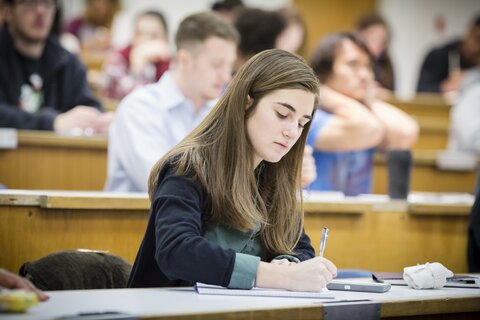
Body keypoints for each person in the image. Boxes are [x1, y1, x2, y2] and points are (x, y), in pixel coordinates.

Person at [128, 49, 337, 291]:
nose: (292, 131)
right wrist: (276, 276)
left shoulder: (274, 176)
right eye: (282, 114)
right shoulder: (187, 167)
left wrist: (287, 264)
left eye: (301, 123)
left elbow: (300, 248)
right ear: (246, 103)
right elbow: (177, 250)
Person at [105, 12, 239, 192]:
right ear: (185, 60)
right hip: (134, 219)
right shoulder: (139, 108)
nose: (226, 76)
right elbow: (161, 183)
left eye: (230, 66)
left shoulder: (220, 111)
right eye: (216, 65)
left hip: (201, 216)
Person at [308, 32, 418, 196]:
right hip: (317, 215)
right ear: (325, 72)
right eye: (353, 64)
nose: (365, 75)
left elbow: (405, 133)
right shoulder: (310, 116)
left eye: (368, 67)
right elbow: (368, 128)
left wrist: (368, 99)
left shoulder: (363, 111)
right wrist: (319, 90)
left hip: (360, 217)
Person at [0, 0, 112, 133]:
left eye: (47, 3)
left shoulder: (68, 63)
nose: (41, 11)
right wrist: (52, 122)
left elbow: (88, 106)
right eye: (30, 3)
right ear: (8, 11)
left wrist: (99, 120)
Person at [102, 10, 170, 100]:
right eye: (139, 34)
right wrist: (139, 67)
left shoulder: (170, 63)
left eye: (154, 36)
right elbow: (135, 102)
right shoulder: (117, 60)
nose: (145, 40)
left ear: (165, 39)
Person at [417, 15, 480, 95]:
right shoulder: (439, 55)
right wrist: (446, 86)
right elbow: (421, 90)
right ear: (470, 32)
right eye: (478, 39)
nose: (478, 48)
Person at [356, 12, 395, 99]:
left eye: (382, 42)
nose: (376, 47)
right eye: (372, 39)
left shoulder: (386, 61)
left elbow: (392, 92)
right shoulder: (350, 57)